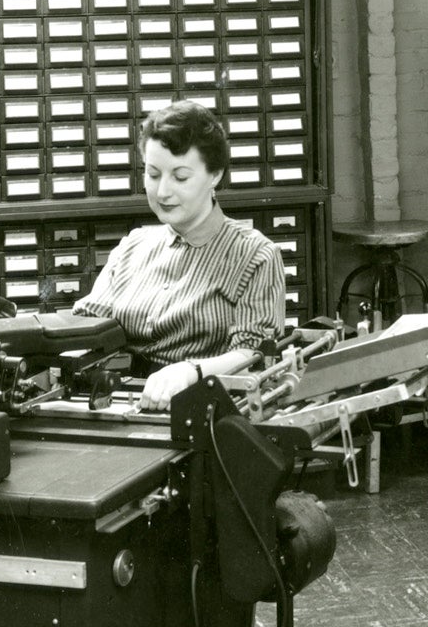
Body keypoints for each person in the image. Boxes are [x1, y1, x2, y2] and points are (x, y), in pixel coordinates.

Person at [74, 100, 288, 409]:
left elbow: (253, 355)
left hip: (201, 406)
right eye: (153, 174)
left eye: (180, 177)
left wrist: (190, 371)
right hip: (122, 403)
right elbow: (88, 326)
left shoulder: (255, 255)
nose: (162, 192)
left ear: (214, 175)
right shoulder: (133, 246)